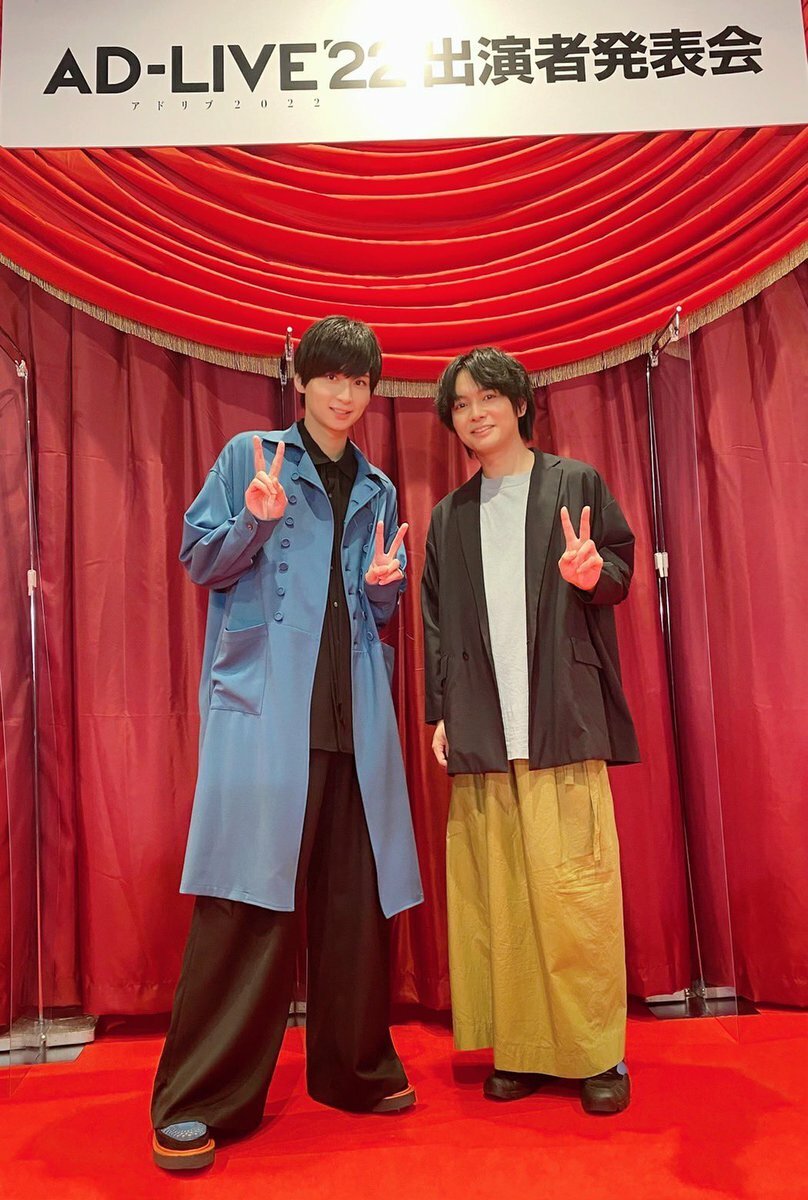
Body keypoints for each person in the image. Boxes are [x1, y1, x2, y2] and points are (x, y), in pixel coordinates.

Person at [151, 316, 423, 1171]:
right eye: (330, 376)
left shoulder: (377, 487)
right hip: (269, 713)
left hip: (353, 717)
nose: (345, 393)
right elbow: (200, 561)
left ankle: (352, 1069)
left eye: (360, 380)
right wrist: (253, 522)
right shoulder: (252, 457)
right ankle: (199, 1098)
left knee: (353, 903)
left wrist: (385, 591)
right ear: (300, 380)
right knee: (247, 903)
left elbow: (371, 612)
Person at [421, 347, 639, 1114]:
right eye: (460, 404)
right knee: (503, 896)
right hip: (486, 725)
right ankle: (520, 1051)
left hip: (560, 716)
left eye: (488, 397)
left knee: (576, 891)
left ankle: (597, 1054)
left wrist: (594, 575)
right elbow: (436, 625)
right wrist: (441, 711)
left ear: (519, 404)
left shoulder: (574, 483)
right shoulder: (449, 516)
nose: (475, 413)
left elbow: (618, 567)